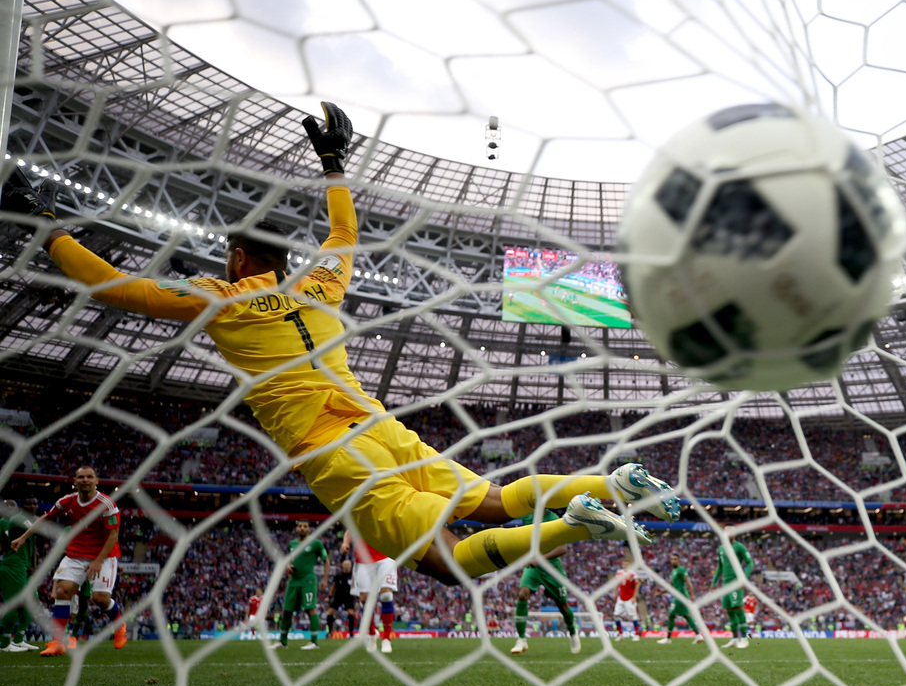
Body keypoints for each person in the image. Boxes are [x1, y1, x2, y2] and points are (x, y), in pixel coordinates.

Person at [1, 102, 679, 588]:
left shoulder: (220, 298)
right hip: (379, 423)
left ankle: (579, 522)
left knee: (444, 565)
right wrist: (332, 163)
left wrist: (50, 227)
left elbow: (113, 285)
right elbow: (344, 235)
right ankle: (612, 481)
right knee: (492, 502)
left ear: (238, 257)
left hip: (330, 444)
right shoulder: (319, 289)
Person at [9, 466, 127, 656]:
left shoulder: (107, 504)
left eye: (89, 477)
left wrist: (98, 561)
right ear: (75, 481)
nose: (85, 480)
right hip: (76, 555)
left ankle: (120, 626)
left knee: (99, 599)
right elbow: (46, 517)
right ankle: (58, 642)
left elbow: (113, 536)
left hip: (103, 556)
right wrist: (23, 537)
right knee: (62, 592)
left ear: (96, 481)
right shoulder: (68, 501)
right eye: (81, 477)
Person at [509, 508, 581, 655]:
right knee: (523, 594)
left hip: (552, 567)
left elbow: (563, 548)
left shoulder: (555, 519)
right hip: (533, 567)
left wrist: (539, 559)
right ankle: (521, 639)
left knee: (563, 606)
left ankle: (573, 633)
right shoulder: (527, 516)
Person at [273, 520, 329, 650]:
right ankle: (282, 642)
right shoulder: (292, 544)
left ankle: (314, 642)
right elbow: (289, 560)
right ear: (296, 529)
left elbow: (326, 561)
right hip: (293, 580)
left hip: (308, 580)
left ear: (310, 529)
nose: (302, 528)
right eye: (299, 526)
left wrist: (325, 579)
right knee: (286, 611)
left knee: (310, 609)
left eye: (305, 526)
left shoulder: (316, 543)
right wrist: (287, 566)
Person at [341, 529, 397, 652]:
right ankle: (372, 634)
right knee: (365, 599)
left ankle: (387, 638)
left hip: (385, 556)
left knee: (386, 594)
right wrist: (345, 543)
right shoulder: (358, 511)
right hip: (363, 560)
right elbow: (350, 529)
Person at [0, 497, 41, 652]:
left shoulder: (24, 521)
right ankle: (4, 642)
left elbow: (34, 546)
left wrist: (34, 567)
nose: (11, 508)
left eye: (13, 506)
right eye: (7, 506)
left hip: (26, 566)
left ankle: (19, 639)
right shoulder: (8, 522)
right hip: (14, 564)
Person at [713, 533, 754, 650]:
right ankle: (735, 639)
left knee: (738, 609)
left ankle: (745, 639)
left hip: (736, 582)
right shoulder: (721, 548)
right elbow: (720, 566)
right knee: (729, 611)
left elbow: (750, 563)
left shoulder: (739, 547)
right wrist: (714, 582)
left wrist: (744, 579)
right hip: (725, 584)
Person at [657, 552, 702, 644]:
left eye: (675, 559)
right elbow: (671, 586)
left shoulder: (681, 569)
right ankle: (698, 635)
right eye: (672, 559)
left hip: (681, 596)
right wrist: (661, 592)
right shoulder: (673, 572)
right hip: (679, 597)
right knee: (687, 616)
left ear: (679, 560)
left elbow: (688, 582)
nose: (673, 561)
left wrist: (692, 594)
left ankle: (668, 639)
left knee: (671, 615)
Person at [612, 554, 641, 641]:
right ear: (622, 565)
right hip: (621, 598)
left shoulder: (633, 574)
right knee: (616, 615)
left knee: (633, 616)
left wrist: (634, 597)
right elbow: (617, 583)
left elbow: (637, 585)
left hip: (629, 598)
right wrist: (614, 592)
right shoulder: (619, 573)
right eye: (624, 564)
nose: (625, 566)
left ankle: (637, 635)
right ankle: (620, 635)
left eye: (627, 564)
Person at [326, 559, 355, 638]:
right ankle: (329, 632)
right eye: (345, 564)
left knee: (351, 614)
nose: (346, 566)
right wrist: (329, 597)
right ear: (342, 566)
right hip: (338, 596)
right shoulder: (338, 575)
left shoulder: (353, 576)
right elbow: (333, 586)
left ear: (351, 566)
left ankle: (351, 634)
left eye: (348, 564)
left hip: (348, 597)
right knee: (330, 613)